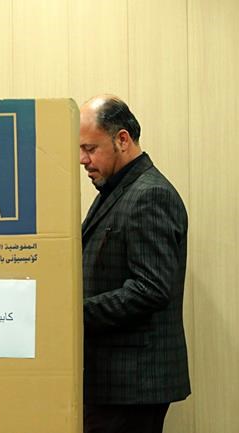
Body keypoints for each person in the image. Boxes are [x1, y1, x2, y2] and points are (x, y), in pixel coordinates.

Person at [79, 95, 190, 433]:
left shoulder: (149, 195)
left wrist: (75, 315)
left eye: (90, 148)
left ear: (122, 139)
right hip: (115, 382)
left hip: (132, 384)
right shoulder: (116, 190)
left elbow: (150, 289)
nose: (82, 159)